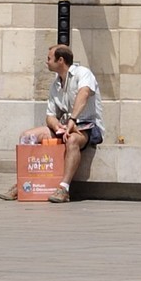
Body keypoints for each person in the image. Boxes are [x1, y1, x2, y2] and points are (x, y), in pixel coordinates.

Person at [42, 44, 103, 201]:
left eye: (49, 59)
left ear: (60, 60)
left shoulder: (83, 73)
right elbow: (50, 115)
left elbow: (84, 93)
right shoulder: (55, 84)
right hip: (65, 125)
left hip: (87, 126)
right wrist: (57, 126)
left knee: (73, 140)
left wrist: (73, 119)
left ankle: (64, 188)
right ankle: (24, 184)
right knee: (28, 136)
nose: (46, 62)